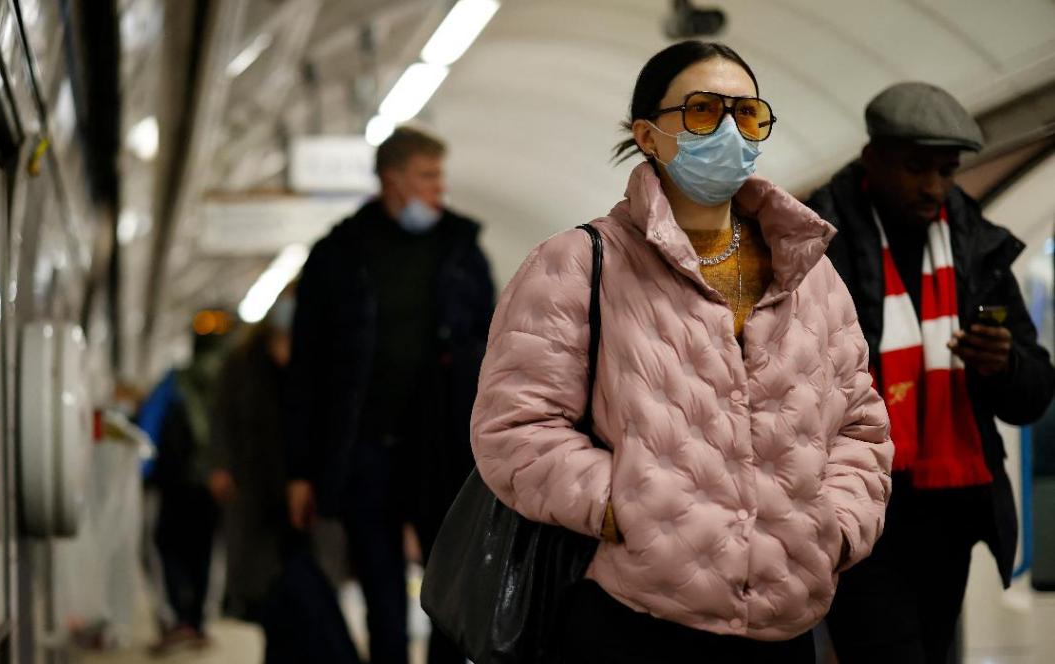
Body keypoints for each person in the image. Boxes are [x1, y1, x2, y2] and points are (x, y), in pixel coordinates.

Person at [469, 41, 894, 663]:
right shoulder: (579, 263)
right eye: (701, 110)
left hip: (785, 618)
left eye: (746, 114)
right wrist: (631, 510)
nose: (727, 129)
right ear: (648, 134)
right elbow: (516, 428)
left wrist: (832, 528)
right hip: (633, 614)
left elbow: (860, 423)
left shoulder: (810, 275)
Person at [807, 82, 1055, 663]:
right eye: (917, 168)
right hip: (857, 499)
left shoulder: (977, 248)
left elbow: (1034, 390)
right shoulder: (818, 244)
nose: (934, 188)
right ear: (873, 159)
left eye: (947, 170)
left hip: (950, 508)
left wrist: (1005, 365)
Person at [284, 126, 495, 664]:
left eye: (439, 177)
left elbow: (495, 349)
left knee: (449, 585)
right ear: (391, 179)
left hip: (443, 445)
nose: (438, 190)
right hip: (363, 451)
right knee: (381, 594)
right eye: (427, 177)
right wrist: (301, 470)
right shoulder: (337, 256)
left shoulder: (462, 251)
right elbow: (307, 370)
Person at [207, 293, 360, 664]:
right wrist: (220, 466)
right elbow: (222, 420)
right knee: (273, 594)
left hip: (307, 496)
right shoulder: (241, 364)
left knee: (308, 585)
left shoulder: (321, 365)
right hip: (255, 492)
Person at [147, 309, 234, 656]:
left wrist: (145, 474)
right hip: (214, 482)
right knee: (204, 550)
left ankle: (179, 616)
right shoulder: (232, 378)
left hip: (174, 482)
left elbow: (149, 423)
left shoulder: (175, 380)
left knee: (167, 543)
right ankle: (197, 622)